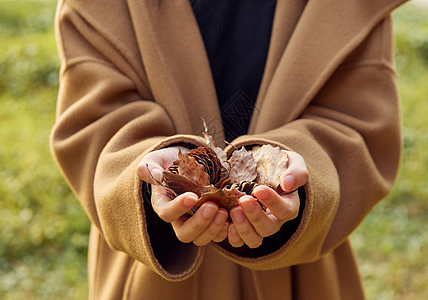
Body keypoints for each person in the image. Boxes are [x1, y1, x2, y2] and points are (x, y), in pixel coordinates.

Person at [50, 0, 407, 299]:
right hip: (152, 280)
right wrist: (151, 178)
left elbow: (358, 122)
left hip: (300, 276)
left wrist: (300, 177)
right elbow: (94, 121)